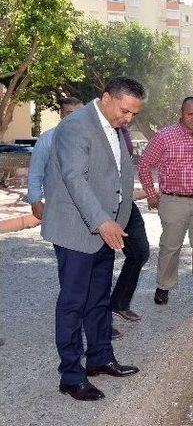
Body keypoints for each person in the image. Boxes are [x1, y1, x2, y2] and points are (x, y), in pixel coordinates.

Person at [41, 76, 146, 401]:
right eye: (125, 111)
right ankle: (71, 376)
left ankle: (99, 358)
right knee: (73, 303)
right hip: (78, 230)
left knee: (99, 297)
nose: (128, 119)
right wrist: (102, 220)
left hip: (105, 230)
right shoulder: (76, 125)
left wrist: (119, 217)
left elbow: (118, 174)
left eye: (133, 114)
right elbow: (75, 178)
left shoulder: (115, 128)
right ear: (106, 98)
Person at [138, 96, 193, 305]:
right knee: (170, 246)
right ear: (181, 113)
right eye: (190, 114)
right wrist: (150, 193)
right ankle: (163, 287)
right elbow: (144, 164)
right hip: (173, 201)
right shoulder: (165, 136)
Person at [109, 125, 150, 323]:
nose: (129, 117)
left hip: (125, 201)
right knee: (99, 263)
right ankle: (97, 321)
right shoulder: (95, 129)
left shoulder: (122, 130)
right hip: (102, 203)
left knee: (140, 252)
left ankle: (118, 303)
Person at [25, 97, 83, 220]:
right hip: (58, 205)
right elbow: (36, 172)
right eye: (69, 113)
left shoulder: (91, 138)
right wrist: (35, 200)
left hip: (87, 204)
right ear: (61, 114)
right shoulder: (47, 140)